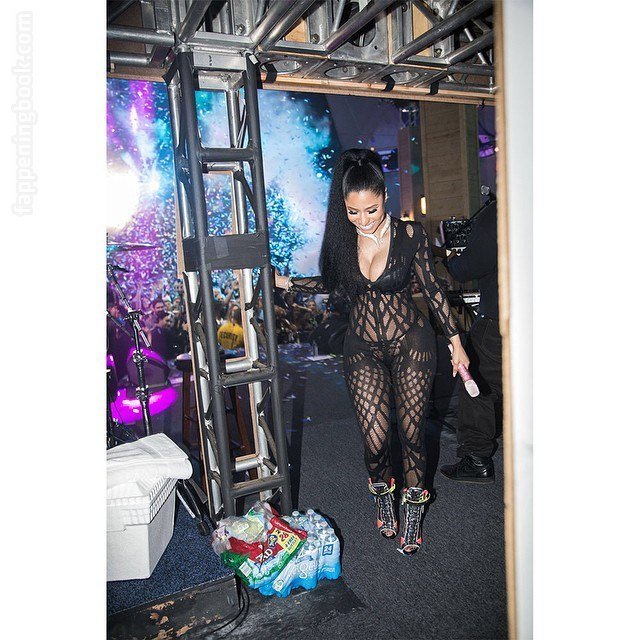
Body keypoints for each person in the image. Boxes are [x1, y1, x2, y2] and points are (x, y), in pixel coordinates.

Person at [275, 149, 469, 555]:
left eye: (371, 210)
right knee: (376, 438)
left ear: (385, 197)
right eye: (353, 212)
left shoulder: (410, 235)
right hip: (361, 346)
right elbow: (331, 283)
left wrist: (455, 343)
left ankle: (413, 510)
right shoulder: (344, 240)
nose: (363, 220)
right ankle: (383, 493)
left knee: (412, 434)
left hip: (411, 342)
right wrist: (287, 282)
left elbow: (433, 290)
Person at [434, 199, 501, 483]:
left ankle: (477, 459)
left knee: (476, 384)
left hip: (502, 318)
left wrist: (448, 260)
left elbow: (468, 268)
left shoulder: (498, 214)